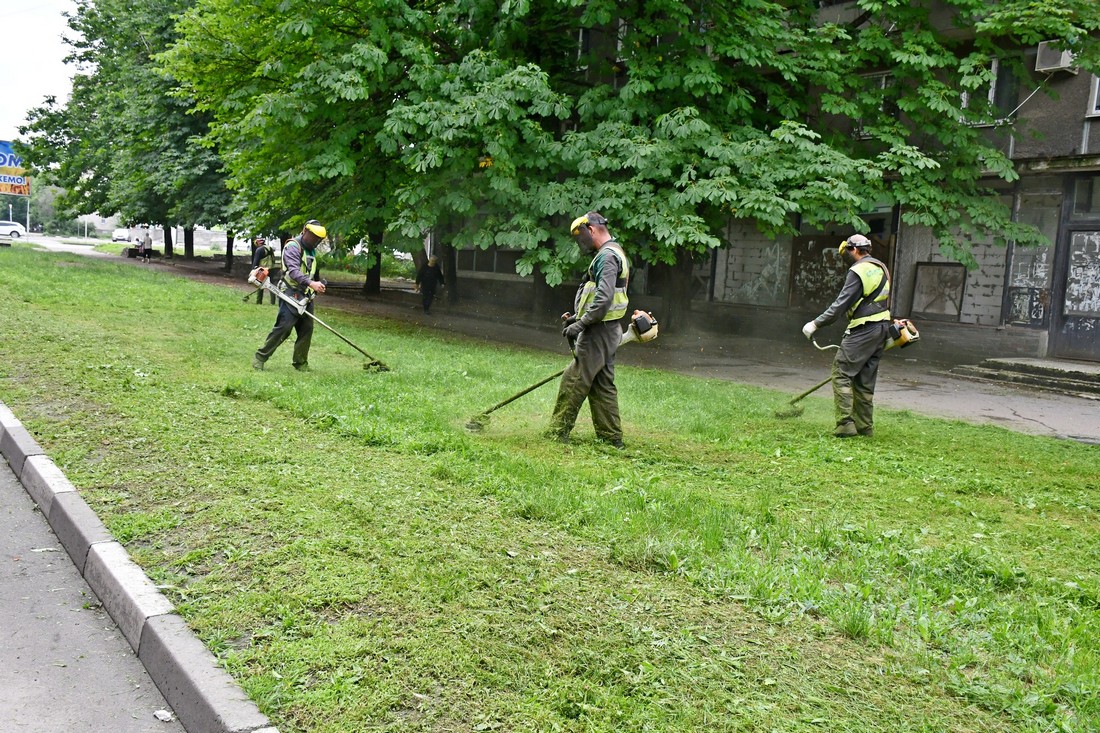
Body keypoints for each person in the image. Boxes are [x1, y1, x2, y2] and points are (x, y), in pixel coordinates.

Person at [548, 211, 630, 448]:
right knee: (602, 384)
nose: (581, 244)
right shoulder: (615, 252)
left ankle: (557, 432)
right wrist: (576, 316)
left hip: (597, 331)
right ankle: (611, 438)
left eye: (581, 237)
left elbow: (604, 299)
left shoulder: (606, 256)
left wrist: (581, 324)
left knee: (574, 379)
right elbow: (599, 296)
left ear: (591, 230)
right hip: (607, 329)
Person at [802, 234, 891, 438]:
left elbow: (840, 305)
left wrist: (815, 324)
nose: (845, 257)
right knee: (865, 380)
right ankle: (865, 427)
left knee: (841, 372)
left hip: (864, 328)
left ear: (853, 250)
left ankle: (845, 425)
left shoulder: (858, 270)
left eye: (846, 252)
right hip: (882, 328)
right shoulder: (881, 267)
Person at [252, 220, 328, 371]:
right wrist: (311, 283)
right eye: (313, 237)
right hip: (290, 291)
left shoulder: (311, 250)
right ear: (305, 231)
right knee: (284, 327)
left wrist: (315, 284)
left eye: (318, 240)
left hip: (306, 294)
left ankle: (300, 363)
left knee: (306, 328)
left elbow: (308, 270)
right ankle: (260, 357)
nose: (316, 241)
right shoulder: (293, 246)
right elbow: (294, 271)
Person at [250, 236, 279, 305]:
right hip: (271, 269)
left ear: (258, 242)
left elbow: (256, 261)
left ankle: (259, 302)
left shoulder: (259, 250)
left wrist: (253, 270)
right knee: (271, 286)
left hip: (262, 270)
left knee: (260, 284)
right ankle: (273, 302)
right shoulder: (269, 248)